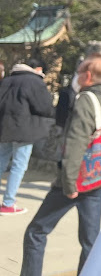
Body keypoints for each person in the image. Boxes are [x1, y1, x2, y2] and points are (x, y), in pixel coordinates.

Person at [22, 53, 101, 276]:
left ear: (87, 74)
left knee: (36, 231)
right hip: (98, 178)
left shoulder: (86, 99)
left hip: (76, 179)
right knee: (90, 241)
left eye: (79, 71)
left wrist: (69, 182)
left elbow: (76, 142)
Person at [0, 58, 55, 216]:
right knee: (19, 165)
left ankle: (8, 201)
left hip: (4, 128)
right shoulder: (34, 82)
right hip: (24, 130)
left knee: (1, 161)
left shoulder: (8, 80)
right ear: (38, 68)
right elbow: (44, 107)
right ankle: (8, 203)